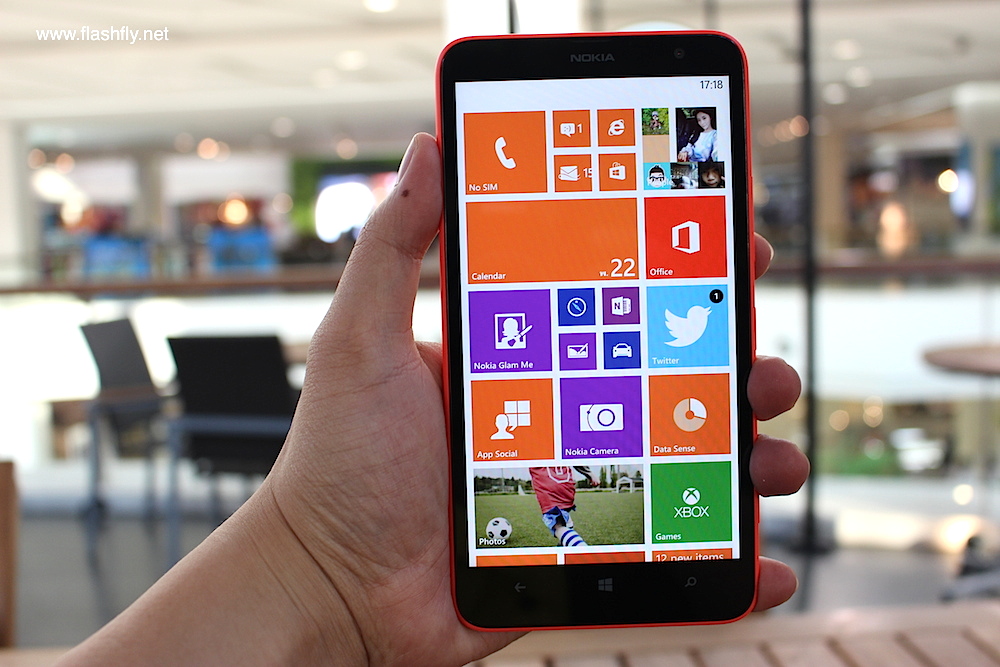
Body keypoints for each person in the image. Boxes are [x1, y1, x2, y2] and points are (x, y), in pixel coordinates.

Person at [56, 133, 807, 667]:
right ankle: (563, 526)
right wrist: (319, 563)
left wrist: (315, 569)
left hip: (225, 435)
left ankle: (566, 525)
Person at [529, 465, 600, 546]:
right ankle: (564, 548)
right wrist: (589, 473)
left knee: (558, 527)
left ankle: (582, 549)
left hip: (549, 485)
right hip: (566, 483)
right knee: (564, 521)